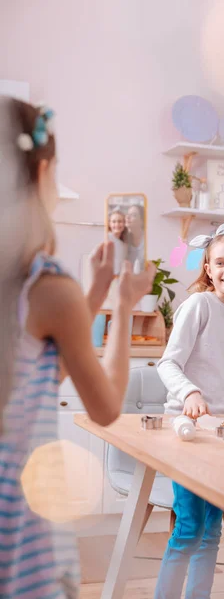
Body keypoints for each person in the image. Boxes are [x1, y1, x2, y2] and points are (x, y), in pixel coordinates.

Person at [0, 97, 156, 599]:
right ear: (43, 172)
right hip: (23, 538)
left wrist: (91, 294)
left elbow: (35, 374)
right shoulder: (44, 286)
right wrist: (124, 304)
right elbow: (107, 407)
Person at [154, 219, 224, 599]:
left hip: (221, 435)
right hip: (188, 433)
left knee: (211, 532)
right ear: (207, 269)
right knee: (189, 528)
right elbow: (168, 363)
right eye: (220, 263)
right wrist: (189, 393)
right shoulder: (198, 305)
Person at [108, 208, 128, 274]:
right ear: (109, 223)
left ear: (124, 223)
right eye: (114, 221)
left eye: (120, 221)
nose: (117, 224)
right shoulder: (107, 238)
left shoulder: (125, 244)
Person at [125, 203, 145, 269]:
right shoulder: (124, 238)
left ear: (141, 221)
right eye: (128, 214)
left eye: (133, 215)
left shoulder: (148, 239)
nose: (127, 217)